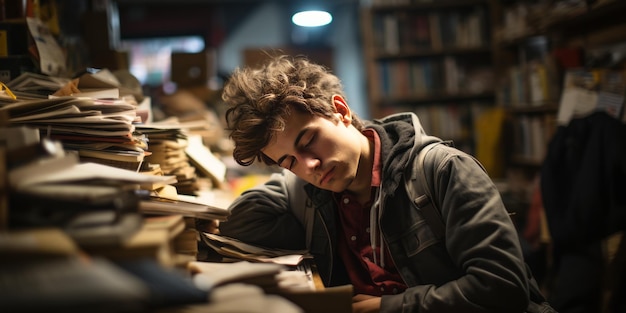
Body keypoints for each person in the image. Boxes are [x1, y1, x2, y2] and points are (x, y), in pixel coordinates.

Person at [218, 55, 555, 313]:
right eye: (288, 161)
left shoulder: (443, 171)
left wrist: (389, 307)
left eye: (308, 141)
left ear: (340, 110)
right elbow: (240, 222)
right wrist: (287, 176)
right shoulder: (310, 191)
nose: (310, 166)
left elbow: (503, 287)